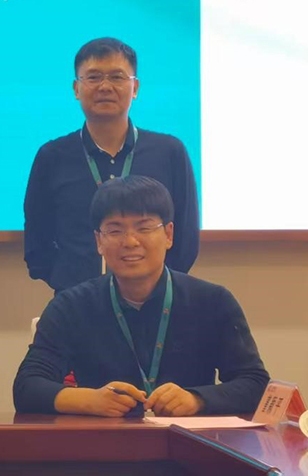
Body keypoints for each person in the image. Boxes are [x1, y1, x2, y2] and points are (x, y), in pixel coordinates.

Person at [14, 176, 268, 417]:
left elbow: (256, 384)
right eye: (115, 231)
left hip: (188, 441)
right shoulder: (71, 306)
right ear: (99, 241)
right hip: (103, 441)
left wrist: (196, 399)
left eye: (144, 228)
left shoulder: (212, 301)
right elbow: (27, 386)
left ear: (168, 235)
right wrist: (89, 400)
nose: (130, 241)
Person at [24, 37, 199, 292]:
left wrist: (154, 287)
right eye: (93, 77)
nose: (105, 86)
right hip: (76, 302)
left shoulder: (169, 152)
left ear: (135, 87)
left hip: (155, 301)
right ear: (76, 88)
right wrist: (70, 286)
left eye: (117, 77)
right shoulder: (51, 157)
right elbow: (37, 239)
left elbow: (185, 238)